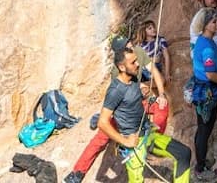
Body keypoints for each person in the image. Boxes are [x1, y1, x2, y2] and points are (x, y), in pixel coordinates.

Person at [64, 36, 170, 183]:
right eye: (126, 46)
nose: (130, 46)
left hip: (140, 103)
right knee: (101, 137)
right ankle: (78, 172)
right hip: (124, 109)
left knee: (162, 106)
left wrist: (162, 94)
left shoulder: (137, 52)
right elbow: (125, 91)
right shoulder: (117, 71)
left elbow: (154, 72)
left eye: (129, 43)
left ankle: (153, 142)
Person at [97, 45, 191, 183]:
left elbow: (133, 101)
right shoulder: (115, 90)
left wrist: (153, 96)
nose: (137, 64)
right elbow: (102, 122)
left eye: (137, 61)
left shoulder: (134, 80)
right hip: (135, 144)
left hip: (148, 135)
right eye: (133, 62)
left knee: (183, 153)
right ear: (122, 67)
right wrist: (125, 141)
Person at [190, 8, 217, 180]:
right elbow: (210, 74)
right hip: (206, 92)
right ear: (205, 25)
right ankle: (200, 168)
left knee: (202, 128)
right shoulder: (206, 46)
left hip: (203, 90)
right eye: (213, 22)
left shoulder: (204, 41)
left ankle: (201, 160)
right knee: (205, 129)